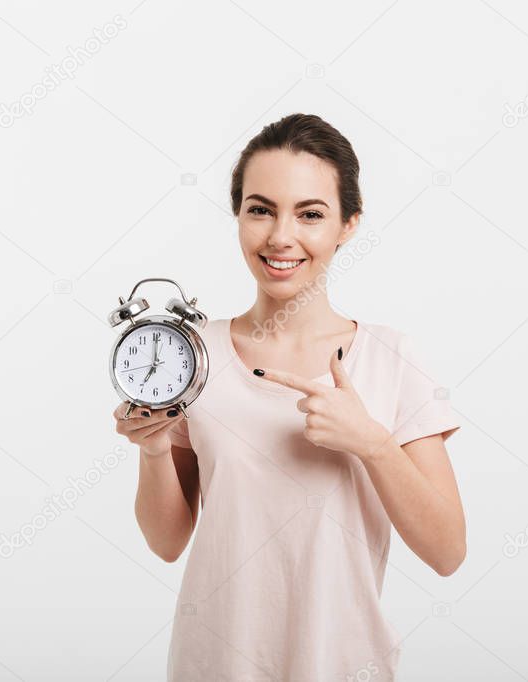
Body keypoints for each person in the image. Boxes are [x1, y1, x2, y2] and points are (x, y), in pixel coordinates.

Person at [112, 113, 465, 681]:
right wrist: (152, 451)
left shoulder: (389, 358)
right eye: (260, 209)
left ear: (348, 224)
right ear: (238, 216)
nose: (280, 236)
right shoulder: (189, 355)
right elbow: (167, 542)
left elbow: (448, 552)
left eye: (310, 214)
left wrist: (371, 443)